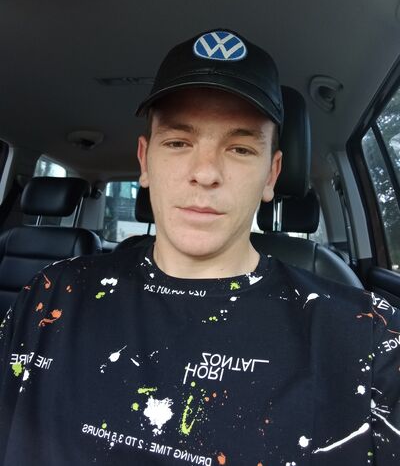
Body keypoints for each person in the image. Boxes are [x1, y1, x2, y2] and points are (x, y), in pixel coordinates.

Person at [0, 29, 399, 466]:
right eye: (178, 142)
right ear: (144, 160)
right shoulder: (52, 296)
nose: (205, 173)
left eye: (240, 148)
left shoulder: (366, 338)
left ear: (271, 175)